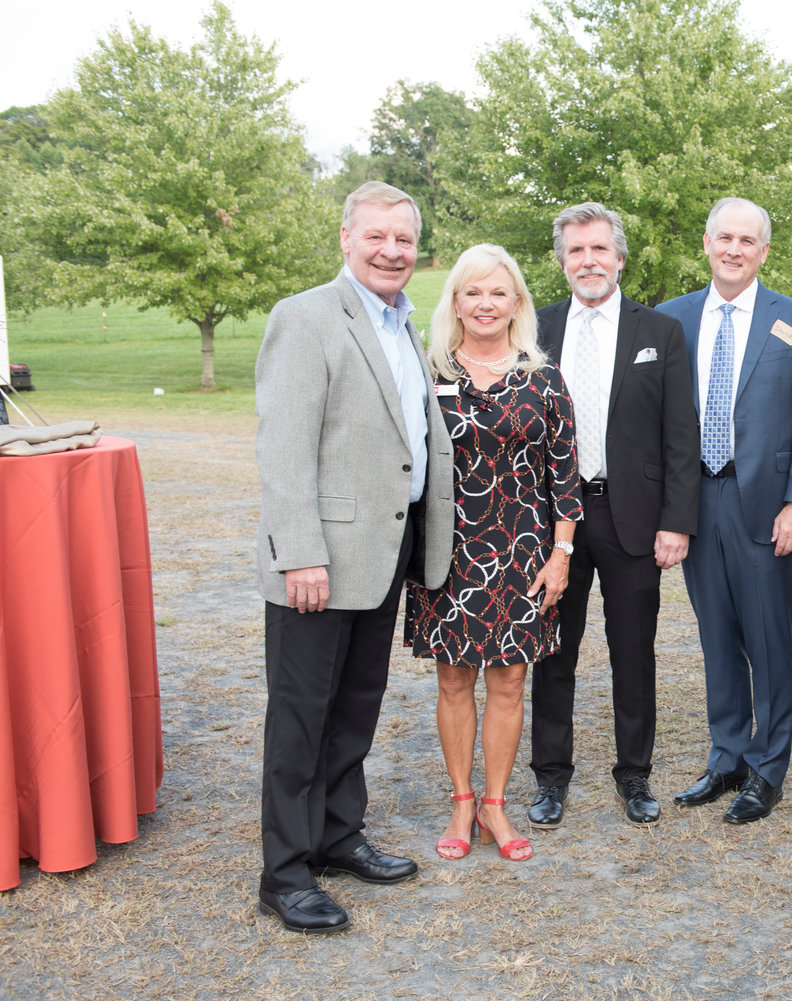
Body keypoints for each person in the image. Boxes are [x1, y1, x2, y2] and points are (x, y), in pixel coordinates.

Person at [255, 181, 455, 933]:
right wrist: (300, 552)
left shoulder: (404, 323)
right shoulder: (305, 318)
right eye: (376, 236)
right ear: (346, 238)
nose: (391, 251)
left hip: (382, 552)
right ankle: (286, 871)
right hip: (320, 561)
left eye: (403, 239)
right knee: (301, 719)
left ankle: (338, 835)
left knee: (355, 710)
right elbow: (283, 448)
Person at [404, 243, 581, 863]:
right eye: (473, 292)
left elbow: (565, 475)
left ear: (517, 305)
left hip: (522, 552)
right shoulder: (427, 372)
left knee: (509, 683)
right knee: (453, 681)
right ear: (455, 301)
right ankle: (460, 800)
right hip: (446, 552)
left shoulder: (543, 376)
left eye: (498, 293)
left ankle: (496, 807)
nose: (485, 304)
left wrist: (560, 555)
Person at [526, 203, 699, 830]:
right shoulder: (534, 331)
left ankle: (634, 775)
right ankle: (550, 777)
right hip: (553, 521)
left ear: (619, 258)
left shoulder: (660, 331)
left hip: (633, 517)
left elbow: (681, 436)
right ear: (562, 261)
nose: (588, 261)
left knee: (634, 652)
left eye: (599, 249)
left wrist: (677, 521)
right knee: (553, 650)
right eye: (576, 251)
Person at [656, 197, 792, 824]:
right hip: (697, 498)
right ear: (706, 243)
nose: (734, 249)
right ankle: (725, 756)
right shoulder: (671, 319)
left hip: (765, 504)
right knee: (716, 637)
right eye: (724, 237)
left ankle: (766, 767)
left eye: (746, 240)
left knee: (767, 639)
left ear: (763, 251)